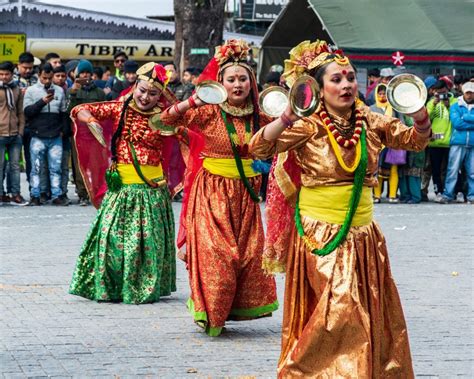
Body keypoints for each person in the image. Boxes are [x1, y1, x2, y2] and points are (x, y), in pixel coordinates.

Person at [249, 40, 432, 377]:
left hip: (364, 237)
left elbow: (414, 141)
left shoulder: (369, 121)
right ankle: (301, 372)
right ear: (317, 87)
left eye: (350, 77)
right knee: (342, 309)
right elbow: (258, 146)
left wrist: (420, 116)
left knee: (364, 313)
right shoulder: (308, 125)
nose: (347, 84)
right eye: (336, 79)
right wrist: (287, 116)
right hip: (321, 235)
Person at [159, 39, 278, 337]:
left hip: (247, 197)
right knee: (218, 255)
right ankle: (211, 316)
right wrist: (194, 101)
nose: (237, 84)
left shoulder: (261, 115)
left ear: (251, 82)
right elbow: (163, 121)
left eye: (243, 79)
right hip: (212, 193)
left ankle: (230, 309)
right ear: (221, 83)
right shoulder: (208, 112)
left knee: (247, 257)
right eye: (231, 79)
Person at [69, 62, 179, 304]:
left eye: (153, 93)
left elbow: (188, 120)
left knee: (146, 245)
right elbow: (80, 109)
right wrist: (91, 121)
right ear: (134, 86)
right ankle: (110, 286)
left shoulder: (165, 117)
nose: (145, 97)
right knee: (111, 242)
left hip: (151, 190)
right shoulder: (119, 109)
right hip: (121, 189)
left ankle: (141, 287)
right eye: (142, 90)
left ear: (160, 95)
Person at [23, 63, 68, 206]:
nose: (47, 81)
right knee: (36, 169)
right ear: (39, 76)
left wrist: (63, 131)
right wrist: (42, 102)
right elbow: (27, 112)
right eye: (44, 78)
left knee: (56, 169)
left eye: (49, 78)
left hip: (55, 136)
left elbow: (63, 113)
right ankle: (35, 196)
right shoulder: (31, 91)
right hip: (37, 136)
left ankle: (56, 195)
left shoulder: (60, 91)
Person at [67, 59, 106, 205]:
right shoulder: (73, 91)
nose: (85, 76)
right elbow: (68, 111)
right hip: (78, 135)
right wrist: (73, 92)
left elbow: (104, 113)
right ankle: (82, 194)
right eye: (82, 73)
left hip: (94, 135)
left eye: (87, 73)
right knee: (79, 167)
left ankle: (96, 192)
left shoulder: (100, 93)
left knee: (96, 165)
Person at [437, 81, 474, 204]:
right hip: (458, 142)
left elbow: (460, 122)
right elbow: (457, 123)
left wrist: (465, 117)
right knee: (452, 170)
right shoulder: (455, 106)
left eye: (472, 93)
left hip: (472, 143)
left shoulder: (456, 108)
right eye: (468, 93)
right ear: (464, 92)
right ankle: (448, 195)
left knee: (472, 172)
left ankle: (471, 196)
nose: (469, 95)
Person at [370, 83, 405, 203]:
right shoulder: (371, 108)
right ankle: (377, 196)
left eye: (384, 93)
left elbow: (402, 123)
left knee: (393, 170)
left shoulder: (394, 108)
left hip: (393, 143)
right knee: (377, 171)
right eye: (379, 93)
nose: (382, 95)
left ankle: (392, 195)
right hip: (377, 144)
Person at [0, 61, 26, 205]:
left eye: (7, 74)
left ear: (12, 74)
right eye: (1, 74)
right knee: (0, 165)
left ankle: (15, 193)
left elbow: (20, 111)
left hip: (15, 133)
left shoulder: (16, 89)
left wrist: (20, 131)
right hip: (0, 133)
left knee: (15, 166)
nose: (4, 77)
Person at [426, 80, 456, 198]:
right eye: (438, 93)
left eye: (443, 92)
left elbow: (455, 118)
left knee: (451, 169)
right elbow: (426, 119)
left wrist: (448, 106)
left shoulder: (455, 102)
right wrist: (433, 104)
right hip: (434, 142)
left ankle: (450, 192)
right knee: (436, 170)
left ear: (447, 90)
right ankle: (438, 191)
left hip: (450, 141)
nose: (441, 95)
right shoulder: (431, 102)